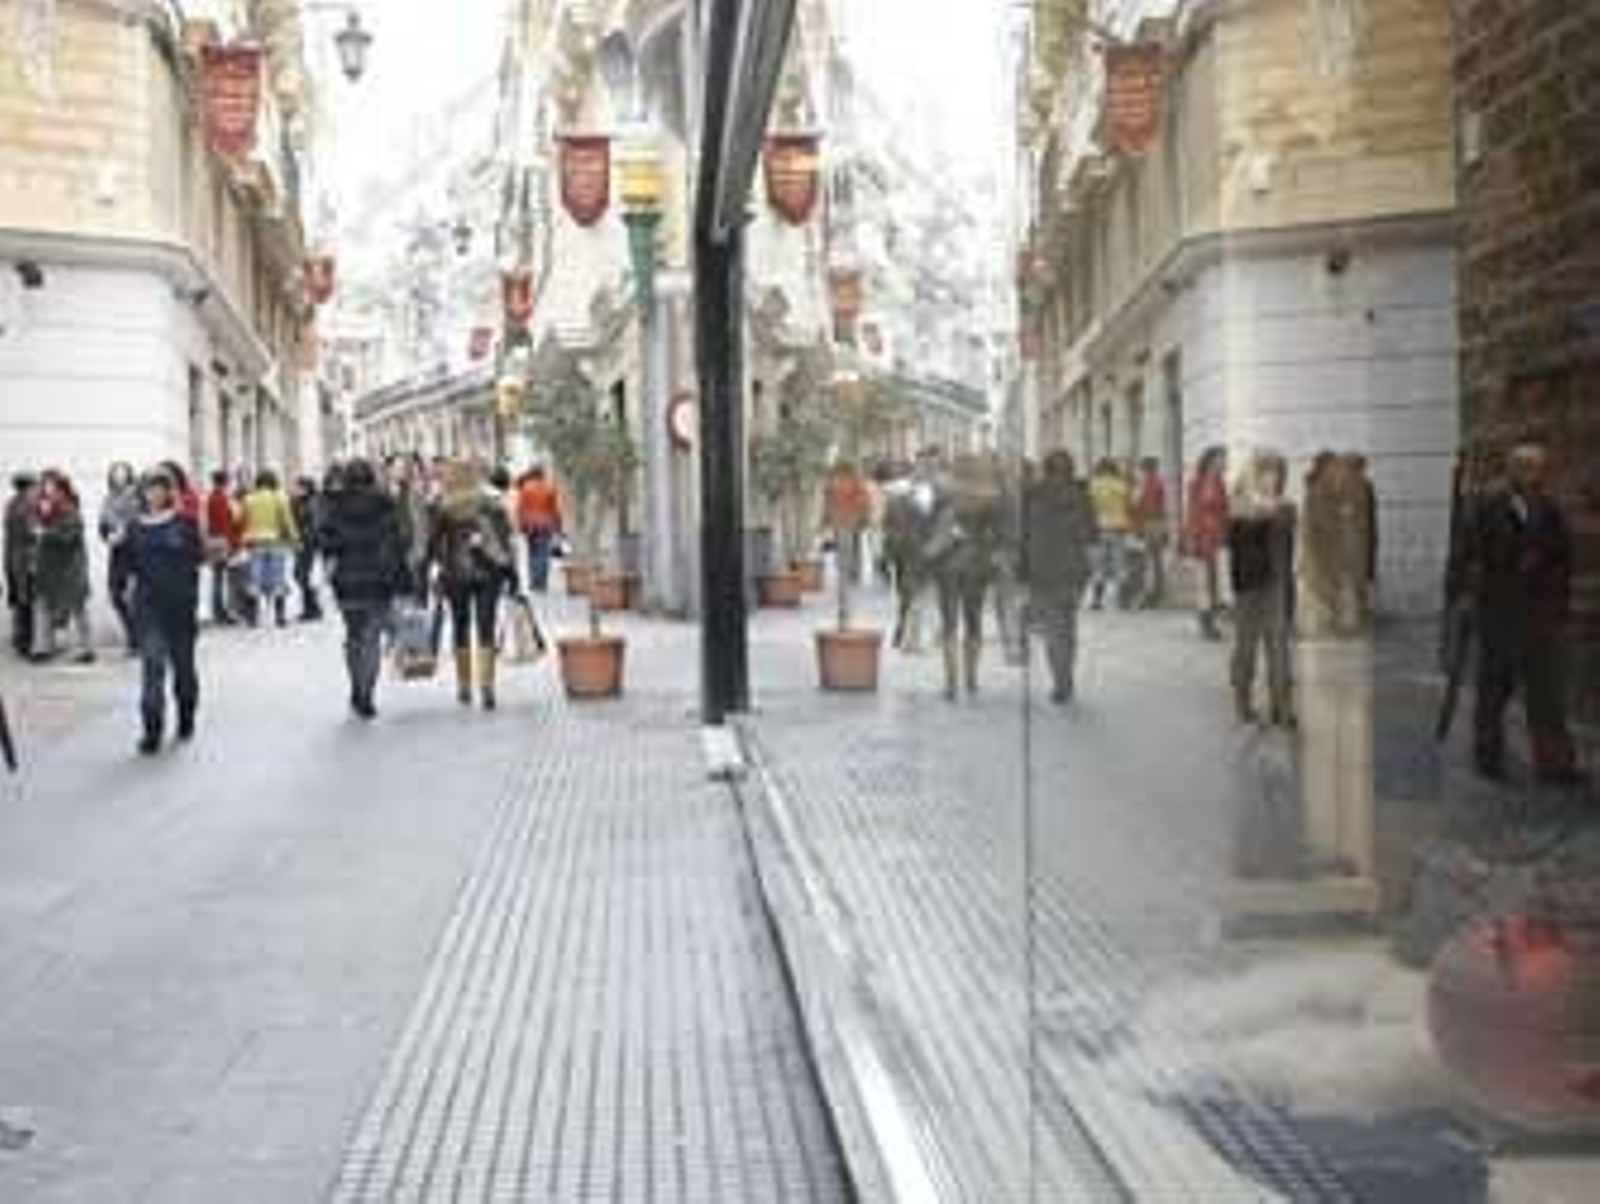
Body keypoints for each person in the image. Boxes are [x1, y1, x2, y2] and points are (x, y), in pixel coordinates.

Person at [1457, 440, 1586, 786]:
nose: (1534, 473)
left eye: (1539, 467)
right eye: (1526, 466)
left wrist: (1559, 604)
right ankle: (1488, 757)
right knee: (1494, 689)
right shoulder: (1486, 504)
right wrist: (1470, 596)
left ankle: (1556, 764)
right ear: (1512, 468)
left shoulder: (1549, 507)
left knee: (1547, 694)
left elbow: (1563, 559)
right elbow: (1467, 555)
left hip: (1542, 615)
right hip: (1499, 613)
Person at [124, 467, 203, 755]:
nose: (154, 494)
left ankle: (186, 716)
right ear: (142, 493)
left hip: (180, 607)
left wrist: (192, 595)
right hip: (148, 608)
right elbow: (128, 565)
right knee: (153, 666)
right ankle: (152, 730)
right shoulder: (134, 526)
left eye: (160, 488)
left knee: (183, 670)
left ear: (169, 491)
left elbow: (198, 558)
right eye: (149, 488)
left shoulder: (185, 522)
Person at [321, 458, 407, 721]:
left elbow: (325, 542)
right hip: (378, 580)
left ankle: (356, 688)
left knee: (353, 636)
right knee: (371, 639)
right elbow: (398, 542)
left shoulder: (335, 504)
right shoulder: (385, 503)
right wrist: (404, 581)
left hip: (346, 582)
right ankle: (366, 693)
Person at [429, 461, 517, 710]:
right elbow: (505, 540)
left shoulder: (442, 506)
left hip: (455, 575)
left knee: (460, 627)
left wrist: (439, 566)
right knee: (486, 626)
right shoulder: (491, 502)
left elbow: (434, 544)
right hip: (489, 572)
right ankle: (487, 686)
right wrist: (512, 574)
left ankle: (464, 686)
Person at [928, 454, 1006, 700]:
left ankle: (950, 682)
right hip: (977, 565)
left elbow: (932, 527)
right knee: (974, 621)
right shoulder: (991, 497)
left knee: (949, 622)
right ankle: (971, 678)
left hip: (948, 565)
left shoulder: (943, 494)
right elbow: (998, 535)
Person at [1227, 452, 1298, 727]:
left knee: (1279, 649)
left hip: (1277, 586)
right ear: (1256, 474)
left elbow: (1285, 531)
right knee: (1246, 648)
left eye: (1280, 471)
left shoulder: (1286, 507)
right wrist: (1260, 508)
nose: (1276, 477)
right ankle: (1242, 702)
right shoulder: (1239, 507)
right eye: (1269, 471)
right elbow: (1239, 541)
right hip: (1248, 589)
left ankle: (1281, 707)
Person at [1024, 450, 1098, 704]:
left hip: (1044, 570)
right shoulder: (1082, 495)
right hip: (1075, 570)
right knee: (1069, 626)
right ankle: (1066, 675)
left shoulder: (1034, 495)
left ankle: (1061, 681)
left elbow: (1024, 535)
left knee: (1054, 630)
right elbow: (1092, 535)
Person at [32, 470, 95, 664]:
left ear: (62, 488)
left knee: (77, 606)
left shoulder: (70, 508)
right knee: (43, 603)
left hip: (70, 566)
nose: (47, 489)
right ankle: (42, 646)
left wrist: (45, 533)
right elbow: (33, 530)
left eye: (51, 485)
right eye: (44, 485)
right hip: (48, 567)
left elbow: (70, 536)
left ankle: (86, 648)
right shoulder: (41, 508)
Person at [238, 469, 299, 628]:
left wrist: (242, 538)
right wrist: (295, 539)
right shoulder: (280, 498)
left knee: (254, 579)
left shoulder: (248, 499)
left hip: (254, 543)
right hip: (275, 541)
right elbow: (288, 521)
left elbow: (240, 520)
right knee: (278, 578)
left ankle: (253, 618)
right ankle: (280, 617)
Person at [1183, 447, 1230, 640]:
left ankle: (1213, 617)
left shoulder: (1220, 483)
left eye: (1224, 459)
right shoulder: (1196, 483)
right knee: (1203, 582)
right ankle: (1206, 623)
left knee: (1216, 581)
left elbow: (1225, 510)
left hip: (1217, 537)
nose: (1224, 463)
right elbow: (1192, 512)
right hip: (1202, 537)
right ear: (1210, 461)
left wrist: (1227, 533)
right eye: (1221, 459)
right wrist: (1192, 539)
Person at [99, 462, 142, 653]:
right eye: (115, 473)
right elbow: (102, 525)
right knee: (116, 595)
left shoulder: (135, 497)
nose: (119, 476)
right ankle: (134, 635)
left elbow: (140, 523)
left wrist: (125, 533)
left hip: (134, 554)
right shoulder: (108, 499)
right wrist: (108, 535)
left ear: (129, 475)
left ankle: (137, 639)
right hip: (116, 553)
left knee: (132, 597)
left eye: (122, 473)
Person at [1088, 458, 1133, 610]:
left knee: (1098, 566)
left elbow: (1090, 506)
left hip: (1098, 527)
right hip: (1118, 527)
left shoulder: (1094, 485)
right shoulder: (1121, 485)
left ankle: (1096, 600)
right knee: (1120, 564)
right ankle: (1123, 601)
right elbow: (1129, 504)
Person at [4, 472, 39, 658]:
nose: (37, 489)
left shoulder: (11, 505)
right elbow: (32, 533)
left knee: (20, 602)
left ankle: (20, 641)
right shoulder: (27, 507)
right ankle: (27, 644)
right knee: (28, 603)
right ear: (27, 488)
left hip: (14, 558)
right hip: (26, 561)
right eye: (35, 486)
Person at [515, 466, 564, 593]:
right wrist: (558, 526)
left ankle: (533, 581)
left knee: (532, 553)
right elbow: (555, 509)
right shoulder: (549, 488)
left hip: (530, 525)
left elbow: (520, 509)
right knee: (543, 554)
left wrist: (521, 525)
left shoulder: (526, 488)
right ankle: (541, 583)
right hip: (545, 525)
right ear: (542, 474)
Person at [203, 471, 240, 624]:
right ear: (225, 482)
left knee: (218, 577)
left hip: (215, 539)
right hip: (222, 540)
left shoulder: (213, 497)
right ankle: (220, 611)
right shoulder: (220, 498)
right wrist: (231, 543)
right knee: (220, 578)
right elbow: (225, 522)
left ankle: (219, 610)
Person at [1134, 457, 1170, 609]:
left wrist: (1139, 527)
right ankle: (1155, 592)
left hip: (1151, 523)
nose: (1141, 472)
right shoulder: (1155, 483)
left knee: (1151, 561)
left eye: (1142, 469)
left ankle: (1152, 594)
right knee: (1155, 560)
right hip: (1156, 523)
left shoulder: (1150, 484)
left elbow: (1144, 506)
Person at [289, 476, 325, 622]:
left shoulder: (313, 501)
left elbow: (316, 523)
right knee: (300, 575)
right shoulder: (296, 502)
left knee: (301, 575)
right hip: (301, 543)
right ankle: (311, 607)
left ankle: (312, 608)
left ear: (306, 488)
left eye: (299, 487)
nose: (296, 489)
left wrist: (305, 536)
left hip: (309, 544)